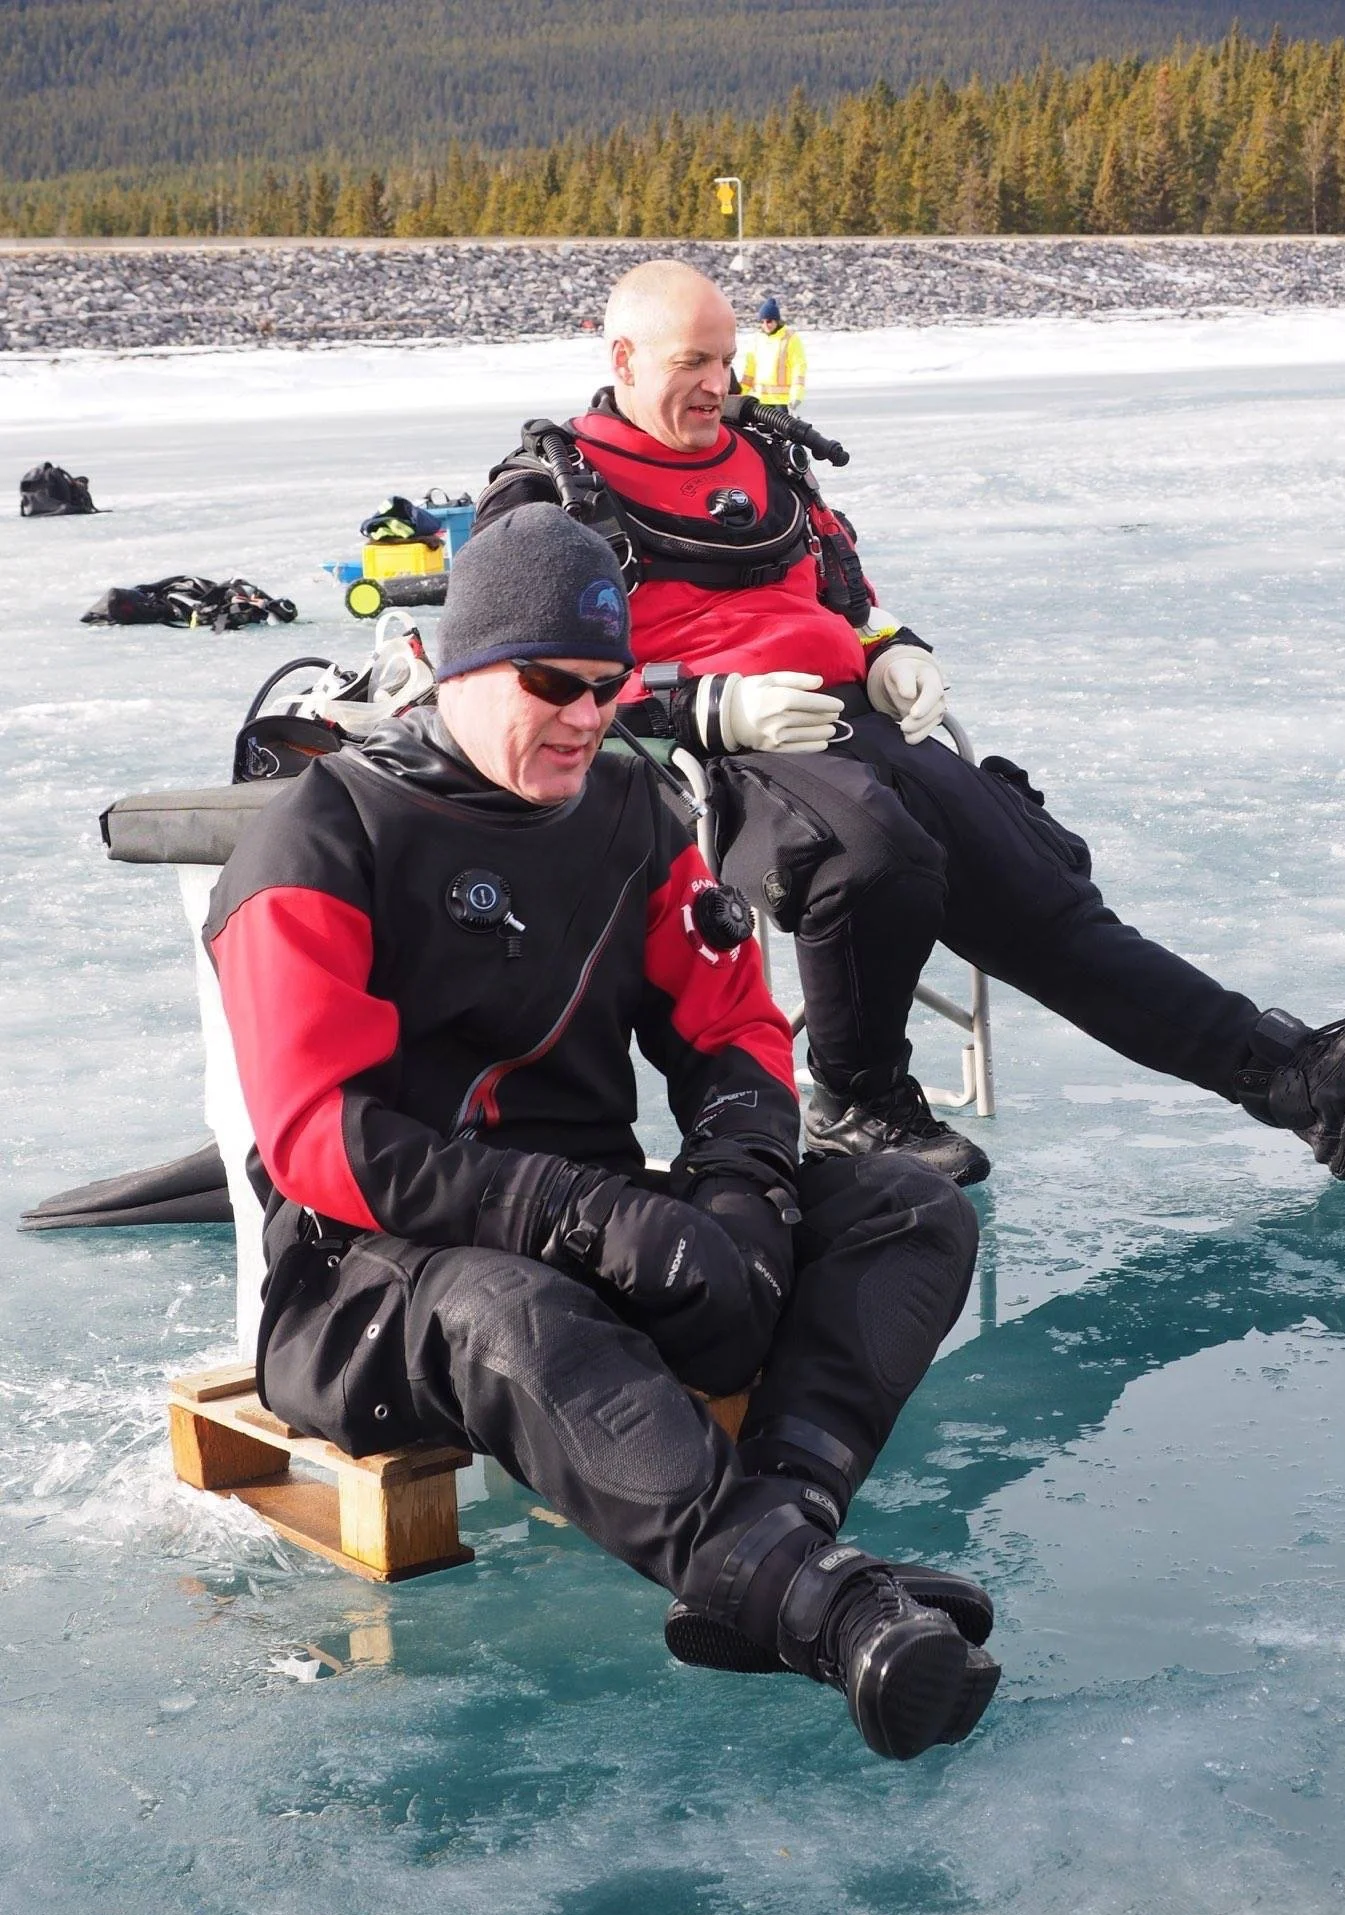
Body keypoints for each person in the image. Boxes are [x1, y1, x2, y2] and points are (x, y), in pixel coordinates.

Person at [204, 500, 999, 1762]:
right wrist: (582, 1213)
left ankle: (776, 1530)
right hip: (373, 1277)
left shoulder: (630, 811)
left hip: (601, 1235)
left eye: (608, 684)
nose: (586, 714)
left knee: (907, 1204)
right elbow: (321, 1137)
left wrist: (741, 1181)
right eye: (551, 684)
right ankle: (822, 1606)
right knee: (514, 1306)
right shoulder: (322, 833)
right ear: (460, 666)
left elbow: (733, 1027)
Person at [475, 259, 1345, 1190]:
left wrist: (894, 646)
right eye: (693, 363)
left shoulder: (766, 458)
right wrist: (705, 707)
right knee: (874, 856)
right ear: (623, 359)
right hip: (699, 760)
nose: (718, 384)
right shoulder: (553, 492)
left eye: (726, 360)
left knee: (1039, 892)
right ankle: (856, 1101)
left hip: (850, 722)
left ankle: (1298, 1079)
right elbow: (521, 680)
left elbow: (847, 595)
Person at [740, 296, 806, 408]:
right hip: (760, 399)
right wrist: (741, 394)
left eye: (769, 321)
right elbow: (749, 370)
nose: (765, 325)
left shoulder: (790, 338)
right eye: (762, 322)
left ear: (777, 321)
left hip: (782, 402)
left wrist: (796, 395)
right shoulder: (758, 340)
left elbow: (798, 367)